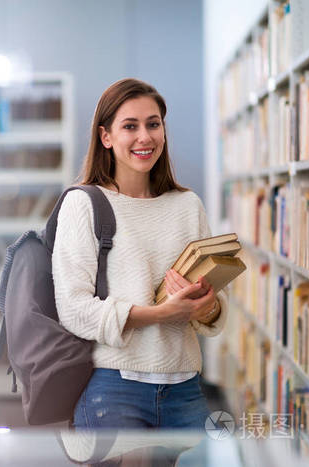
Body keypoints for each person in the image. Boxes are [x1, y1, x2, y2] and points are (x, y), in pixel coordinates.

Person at [52, 78, 228, 429]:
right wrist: (160, 314)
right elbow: (73, 309)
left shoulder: (187, 205)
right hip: (115, 389)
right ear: (106, 137)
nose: (144, 137)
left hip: (187, 390)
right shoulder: (83, 203)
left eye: (153, 124)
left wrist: (205, 304)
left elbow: (216, 312)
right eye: (129, 126)